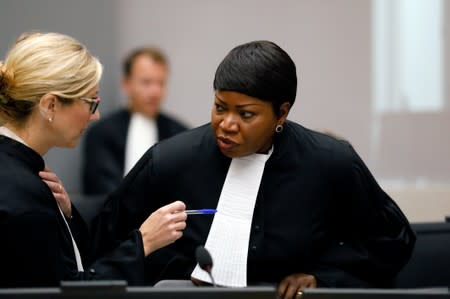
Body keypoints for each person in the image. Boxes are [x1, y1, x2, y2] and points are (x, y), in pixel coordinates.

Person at [95, 40, 416, 298]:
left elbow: (394, 241)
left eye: (246, 114)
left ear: (281, 113)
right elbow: (104, 240)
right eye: (220, 107)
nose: (226, 125)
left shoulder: (330, 162)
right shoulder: (170, 160)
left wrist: (325, 278)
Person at [0, 32, 187, 287]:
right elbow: (72, 290)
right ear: (50, 105)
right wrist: (143, 242)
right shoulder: (24, 196)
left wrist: (65, 215)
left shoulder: (24, 178)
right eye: (91, 103)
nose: (95, 116)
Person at [82, 47, 188, 195]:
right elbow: (101, 190)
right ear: (126, 84)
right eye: (146, 82)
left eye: (161, 83)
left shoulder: (181, 134)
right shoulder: (102, 133)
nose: (155, 92)